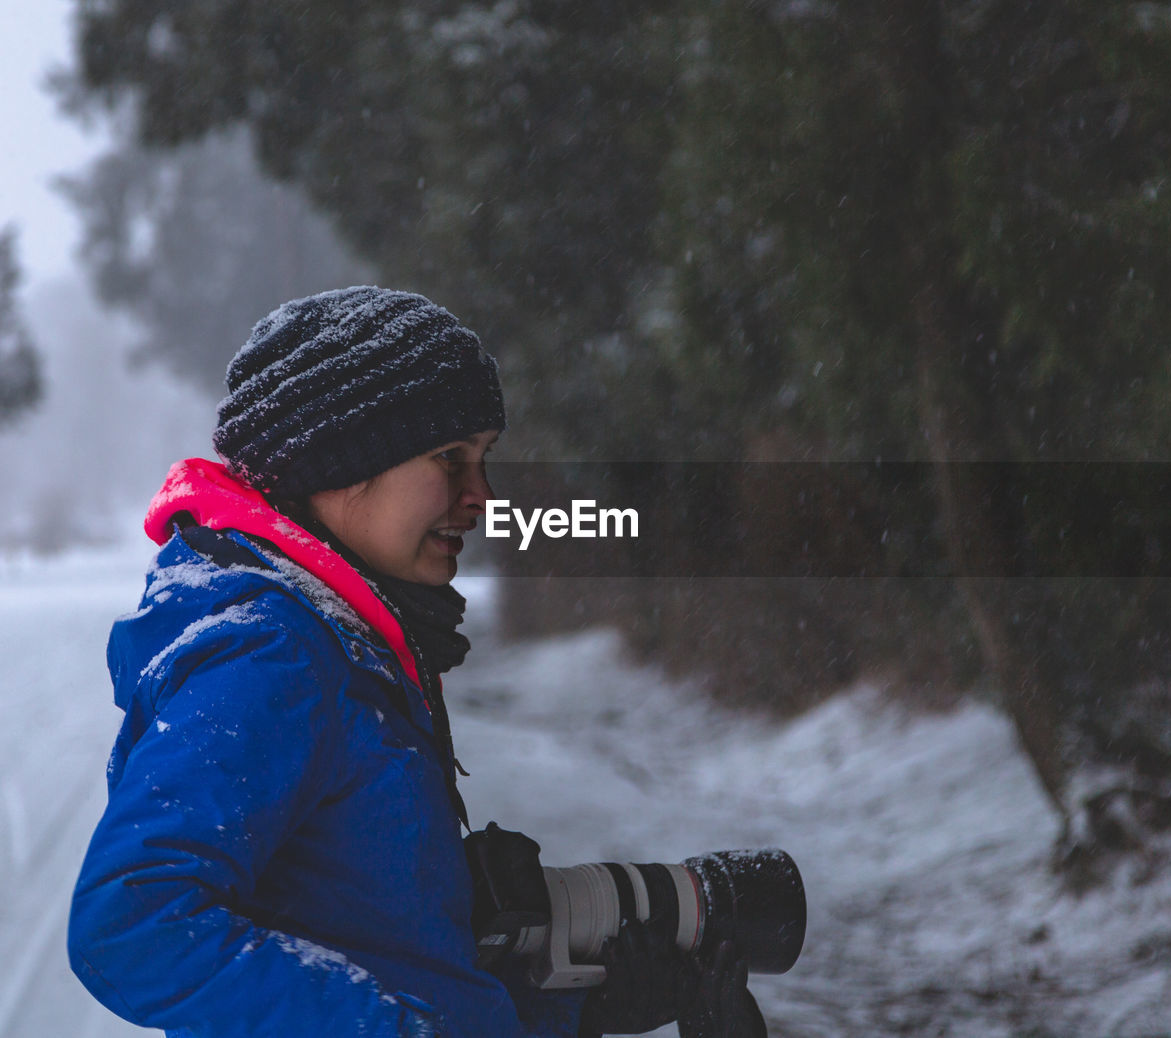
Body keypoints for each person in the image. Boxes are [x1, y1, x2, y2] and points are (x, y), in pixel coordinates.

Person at [66, 286, 762, 1038]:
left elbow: (383, 955)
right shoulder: (275, 654)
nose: (481, 497)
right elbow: (132, 921)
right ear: (337, 461)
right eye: (450, 458)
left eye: (485, 459)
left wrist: (577, 1006)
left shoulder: (343, 645)